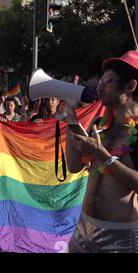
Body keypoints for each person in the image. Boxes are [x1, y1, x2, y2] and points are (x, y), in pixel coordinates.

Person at [65, 50, 138, 253]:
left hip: (120, 237)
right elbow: (73, 166)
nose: (99, 86)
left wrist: (103, 156)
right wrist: (70, 120)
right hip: (84, 228)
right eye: (100, 80)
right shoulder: (100, 125)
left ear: (130, 86)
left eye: (108, 81)